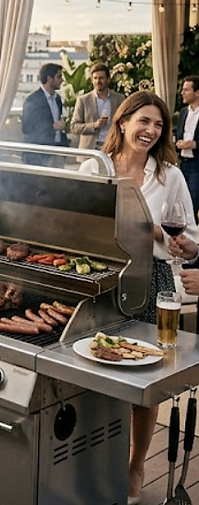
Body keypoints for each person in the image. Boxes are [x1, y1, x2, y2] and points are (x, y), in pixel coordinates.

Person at [78, 90, 199, 505]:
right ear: (123, 121)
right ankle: (95, 458)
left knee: (144, 382)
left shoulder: (170, 176)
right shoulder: (94, 167)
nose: (151, 130)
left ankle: (134, 466)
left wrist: (179, 244)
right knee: (96, 370)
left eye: (159, 125)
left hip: (154, 281)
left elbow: (192, 242)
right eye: (143, 121)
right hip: (103, 280)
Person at [22, 62, 68, 167]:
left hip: (57, 151)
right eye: (59, 77)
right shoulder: (32, 100)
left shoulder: (57, 99)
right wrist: (53, 127)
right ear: (49, 79)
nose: (62, 80)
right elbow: (27, 128)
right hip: (40, 154)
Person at [70, 63, 125, 151]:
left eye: (101, 78)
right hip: (90, 149)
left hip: (112, 147)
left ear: (108, 79)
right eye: (95, 78)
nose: (98, 81)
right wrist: (94, 125)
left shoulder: (119, 99)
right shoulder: (83, 100)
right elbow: (74, 127)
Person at [174, 75, 199, 219]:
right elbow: (179, 133)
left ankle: (192, 237)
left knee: (192, 203)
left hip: (197, 165)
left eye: (186, 90)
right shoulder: (184, 112)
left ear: (197, 93)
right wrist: (178, 143)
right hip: (183, 163)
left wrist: (194, 144)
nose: (182, 93)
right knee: (180, 201)